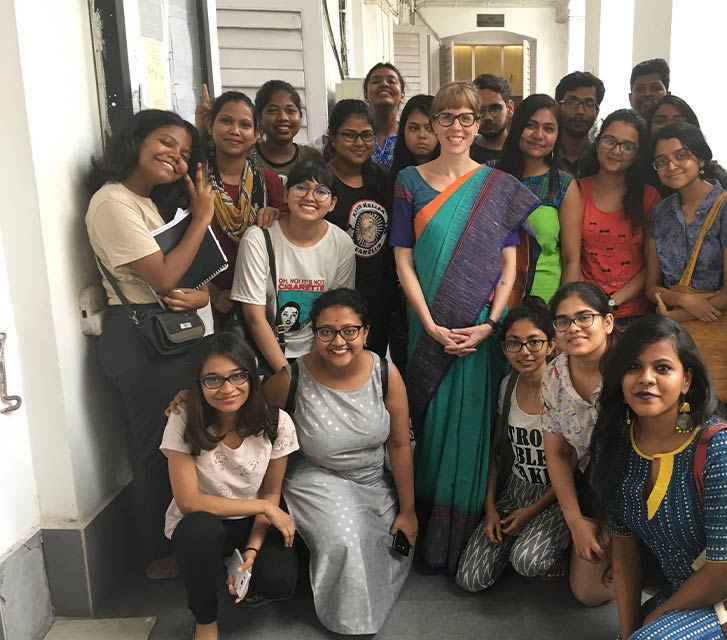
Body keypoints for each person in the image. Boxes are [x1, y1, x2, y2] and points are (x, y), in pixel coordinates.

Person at [391, 81, 540, 572]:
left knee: (475, 424)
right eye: (446, 117)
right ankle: (425, 534)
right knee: (428, 427)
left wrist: (491, 325)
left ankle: (465, 541)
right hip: (426, 329)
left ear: (479, 125)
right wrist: (430, 325)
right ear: (432, 124)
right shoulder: (409, 182)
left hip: (479, 332)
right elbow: (404, 261)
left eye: (466, 119)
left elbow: (509, 266)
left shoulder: (497, 187)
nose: (456, 127)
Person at [85, 109, 211, 578]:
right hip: (137, 338)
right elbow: (161, 275)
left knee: (173, 442)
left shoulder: (148, 203)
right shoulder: (112, 202)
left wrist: (199, 296)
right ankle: (158, 558)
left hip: (162, 330)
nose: (175, 157)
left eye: (183, 152)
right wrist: (201, 219)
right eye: (165, 143)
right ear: (135, 141)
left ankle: (175, 545)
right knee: (154, 449)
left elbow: (179, 281)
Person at [590, 315, 727, 640]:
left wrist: (657, 616)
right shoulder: (618, 444)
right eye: (633, 367)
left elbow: (726, 574)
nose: (646, 379)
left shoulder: (721, 448)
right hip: (685, 594)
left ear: (686, 380)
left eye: (663, 368)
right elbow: (624, 553)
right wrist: (628, 634)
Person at [262, 289, 416, 635]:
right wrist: (193, 400)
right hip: (318, 477)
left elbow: (399, 444)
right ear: (313, 333)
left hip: (374, 478)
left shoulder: (385, 373)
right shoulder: (292, 378)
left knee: (383, 545)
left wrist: (408, 510)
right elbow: (246, 407)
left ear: (365, 332)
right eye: (326, 332)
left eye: (349, 330)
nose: (338, 341)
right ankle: (352, 623)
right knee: (346, 540)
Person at [162, 334, 299, 640]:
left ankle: (235, 565)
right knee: (196, 533)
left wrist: (252, 550)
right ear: (197, 383)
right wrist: (264, 507)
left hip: (252, 523)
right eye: (213, 379)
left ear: (252, 377)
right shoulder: (183, 418)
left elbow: (270, 493)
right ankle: (206, 619)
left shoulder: (276, 423)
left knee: (279, 581)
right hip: (206, 520)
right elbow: (189, 501)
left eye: (238, 376)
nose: (228, 389)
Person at [455, 298, 569, 591]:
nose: (524, 352)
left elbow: (573, 468)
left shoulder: (564, 393)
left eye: (534, 342)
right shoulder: (507, 387)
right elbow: (497, 452)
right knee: (470, 580)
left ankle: (553, 547)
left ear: (551, 345)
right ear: (504, 349)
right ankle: (522, 542)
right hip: (516, 489)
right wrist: (491, 508)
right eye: (514, 343)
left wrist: (530, 513)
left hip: (555, 495)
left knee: (527, 561)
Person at [645, 123, 727, 403]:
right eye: (661, 161)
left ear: (700, 159)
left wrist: (677, 316)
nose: (671, 166)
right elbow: (651, 286)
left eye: (681, 155)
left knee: (710, 407)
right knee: (673, 405)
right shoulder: (660, 212)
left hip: (714, 326)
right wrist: (683, 300)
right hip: (673, 336)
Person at [231, 160, 355, 375]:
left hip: (321, 353)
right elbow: (254, 317)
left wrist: (317, 369)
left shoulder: (341, 243)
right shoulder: (258, 238)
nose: (309, 197)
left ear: (333, 203)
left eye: (321, 191)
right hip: (265, 353)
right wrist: (288, 376)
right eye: (301, 187)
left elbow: (338, 310)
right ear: (286, 194)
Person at [541, 282, 616, 606]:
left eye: (584, 317)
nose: (573, 328)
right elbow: (556, 454)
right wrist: (576, 522)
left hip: (649, 482)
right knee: (588, 594)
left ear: (608, 322)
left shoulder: (633, 367)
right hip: (596, 481)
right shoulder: (554, 377)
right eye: (563, 321)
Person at [204, 91, 285, 321]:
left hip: (259, 303)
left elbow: (288, 236)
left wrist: (276, 215)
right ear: (211, 126)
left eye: (245, 125)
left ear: (257, 134)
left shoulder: (267, 182)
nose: (235, 131)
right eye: (226, 121)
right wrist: (211, 294)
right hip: (205, 303)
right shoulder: (195, 179)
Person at [322, 100, 395, 356]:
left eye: (366, 135)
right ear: (332, 138)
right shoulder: (319, 181)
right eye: (349, 135)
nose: (359, 142)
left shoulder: (383, 179)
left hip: (378, 297)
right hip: (331, 296)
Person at [577, 109, 661, 326]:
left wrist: (613, 302)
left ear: (638, 154)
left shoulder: (649, 197)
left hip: (634, 315)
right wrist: (590, 304)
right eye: (609, 141)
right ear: (597, 143)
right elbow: (571, 256)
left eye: (628, 146)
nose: (617, 150)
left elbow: (651, 265)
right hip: (584, 311)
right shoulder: (576, 190)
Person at [498, 94, 584, 302]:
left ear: (557, 135)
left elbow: (572, 260)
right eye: (531, 125)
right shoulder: (492, 175)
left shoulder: (564, 185)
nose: (538, 135)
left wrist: (562, 312)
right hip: (493, 300)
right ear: (517, 127)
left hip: (544, 302)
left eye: (549, 128)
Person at [388, 94, 439, 375]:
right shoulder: (397, 178)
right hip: (400, 289)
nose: (422, 136)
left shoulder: (464, 178)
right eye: (413, 127)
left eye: (430, 128)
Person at [644, 95, 727, 195]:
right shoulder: (641, 175)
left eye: (681, 156)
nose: (670, 125)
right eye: (660, 121)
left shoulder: (717, 175)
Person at [249, 80, 323, 178]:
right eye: (272, 111)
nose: (283, 117)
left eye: (290, 111)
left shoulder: (311, 157)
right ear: (259, 117)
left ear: (300, 116)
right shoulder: (246, 157)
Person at [554, 72, 605, 175]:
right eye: (572, 102)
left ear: (597, 111)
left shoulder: (602, 160)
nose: (580, 111)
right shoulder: (545, 154)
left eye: (588, 104)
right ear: (558, 107)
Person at [364, 63, 405, 168]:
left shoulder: (409, 135)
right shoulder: (356, 136)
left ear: (402, 95)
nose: (384, 84)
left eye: (391, 81)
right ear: (365, 95)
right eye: (376, 81)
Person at [470, 73, 514, 164]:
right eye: (480, 110)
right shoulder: (464, 154)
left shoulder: (523, 154)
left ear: (509, 108)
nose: (487, 117)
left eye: (495, 108)